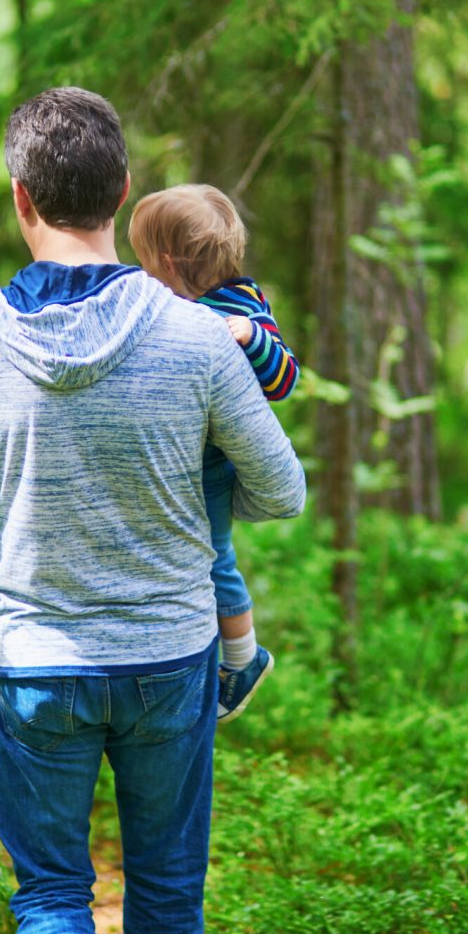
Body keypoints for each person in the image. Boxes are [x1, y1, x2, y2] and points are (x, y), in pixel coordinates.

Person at [0, 87, 306, 934]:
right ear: (123, 191)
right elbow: (283, 491)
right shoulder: (204, 339)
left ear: (20, 196)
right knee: (167, 890)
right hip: (172, 656)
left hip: (35, 664)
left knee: (51, 895)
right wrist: (183, 497)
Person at [128, 184, 299, 724]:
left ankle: (244, 659)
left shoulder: (242, 305)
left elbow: (285, 379)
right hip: (173, 457)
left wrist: (251, 336)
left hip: (212, 466)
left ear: (166, 261)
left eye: (142, 259)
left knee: (216, 557)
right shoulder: (164, 304)